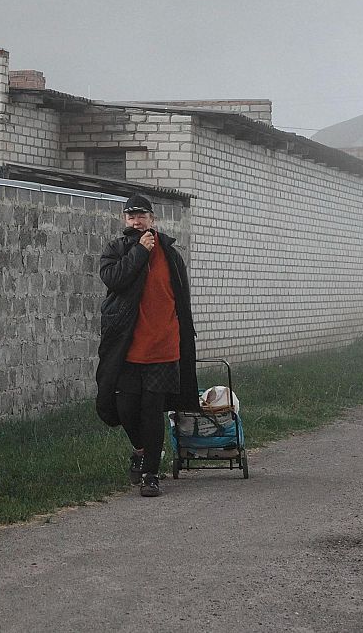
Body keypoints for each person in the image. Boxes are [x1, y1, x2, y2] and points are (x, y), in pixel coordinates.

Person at [94, 194, 198, 497]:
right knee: (126, 408)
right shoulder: (116, 249)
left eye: (141, 216)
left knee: (152, 410)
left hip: (163, 346)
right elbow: (114, 279)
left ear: (152, 219)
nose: (136, 221)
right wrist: (140, 251)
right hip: (127, 347)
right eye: (131, 216)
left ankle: (151, 474)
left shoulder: (171, 255)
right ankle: (140, 450)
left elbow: (181, 299)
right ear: (125, 220)